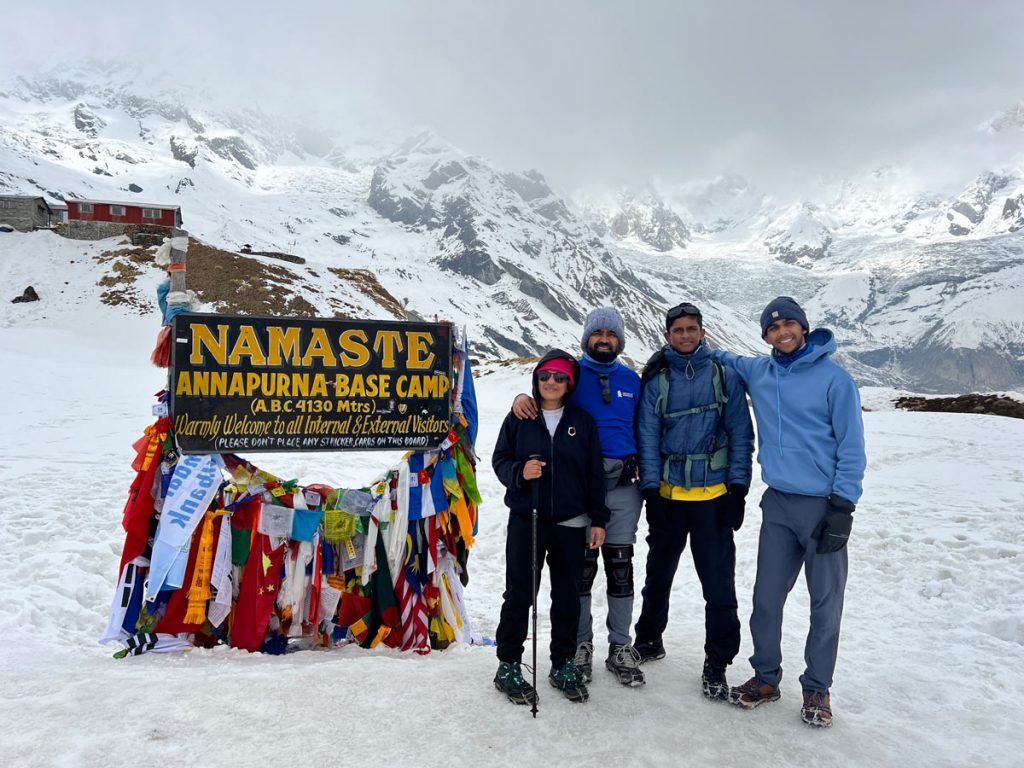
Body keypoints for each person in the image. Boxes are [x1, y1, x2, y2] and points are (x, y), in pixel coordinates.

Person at [707, 296, 866, 728]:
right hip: (777, 502)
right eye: (773, 329)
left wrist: (843, 506)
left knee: (825, 604)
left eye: (789, 325)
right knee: (765, 599)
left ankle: (817, 687)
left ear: (803, 327)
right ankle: (765, 677)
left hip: (822, 506)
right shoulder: (761, 371)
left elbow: (852, 448)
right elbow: (724, 357)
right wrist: (687, 344)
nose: (783, 333)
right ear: (766, 336)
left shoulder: (835, 380)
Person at [511, 307, 645, 686]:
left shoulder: (631, 380)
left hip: (622, 486)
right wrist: (522, 395)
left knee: (621, 567)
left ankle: (620, 645)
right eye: (597, 333)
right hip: (576, 487)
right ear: (586, 337)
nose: (604, 339)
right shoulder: (571, 375)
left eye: (612, 334)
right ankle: (580, 644)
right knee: (579, 572)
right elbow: (543, 393)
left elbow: (644, 428)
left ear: (620, 339)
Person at [633, 301, 754, 699]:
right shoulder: (657, 379)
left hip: (714, 496)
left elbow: (740, 433)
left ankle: (717, 661)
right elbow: (648, 438)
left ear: (702, 332)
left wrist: (738, 488)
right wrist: (651, 489)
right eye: (678, 330)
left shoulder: (724, 375)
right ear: (668, 335)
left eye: (692, 329)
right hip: (669, 495)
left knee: (718, 586)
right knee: (658, 576)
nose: (685, 336)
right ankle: (649, 639)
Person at [492, 349, 609, 705]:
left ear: (569, 382)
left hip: (572, 523)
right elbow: (500, 460)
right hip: (528, 519)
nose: (552, 383)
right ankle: (508, 664)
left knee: (567, 597)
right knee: (520, 594)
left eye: (559, 377)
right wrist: (519, 473)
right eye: (545, 376)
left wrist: (599, 519)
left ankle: (562, 663)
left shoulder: (582, 421)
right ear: (536, 379)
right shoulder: (520, 417)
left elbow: (593, 474)